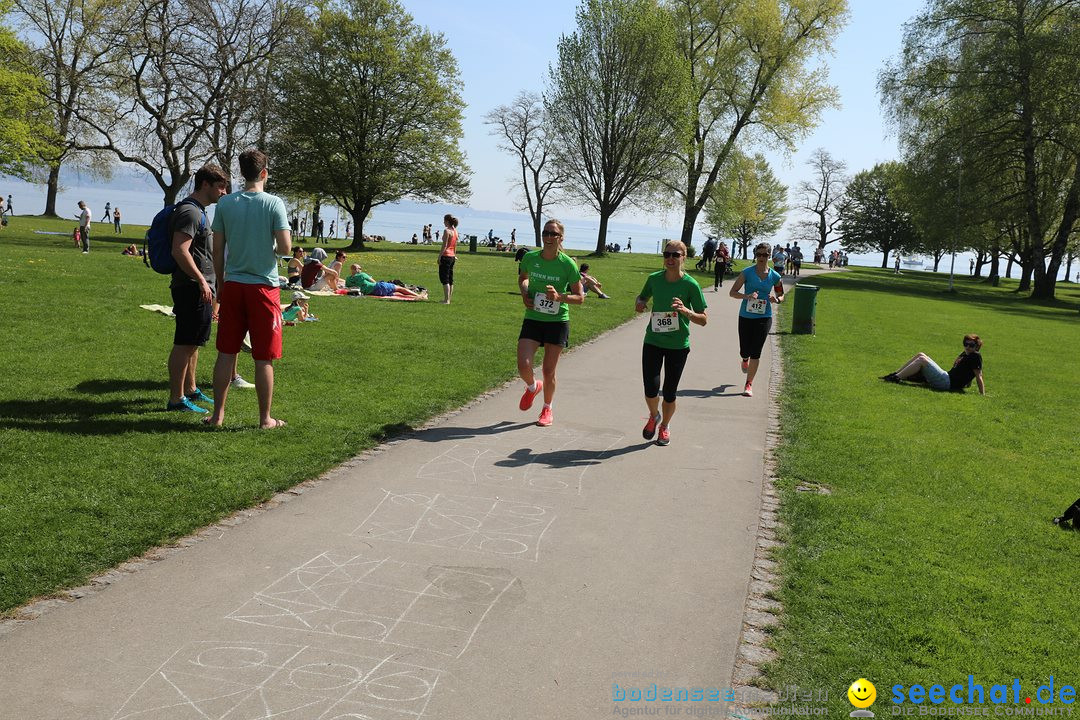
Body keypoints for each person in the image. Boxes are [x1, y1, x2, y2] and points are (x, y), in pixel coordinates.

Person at [205, 148, 291, 429]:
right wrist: (271, 245)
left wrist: (220, 282)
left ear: (242, 174)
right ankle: (265, 419)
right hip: (264, 288)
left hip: (233, 285)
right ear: (264, 173)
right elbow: (286, 248)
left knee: (226, 353)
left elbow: (217, 250)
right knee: (263, 356)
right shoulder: (274, 203)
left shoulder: (226, 204)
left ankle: (217, 416)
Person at [165, 164, 230, 414]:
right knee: (185, 343)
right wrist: (202, 281)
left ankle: (190, 389)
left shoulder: (199, 211)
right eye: (220, 186)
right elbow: (179, 250)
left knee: (194, 342)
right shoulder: (190, 212)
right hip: (192, 287)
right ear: (205, 185)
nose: (223, 192)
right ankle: (176, 398)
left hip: (199, 287)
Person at [635, 240, 708, 446]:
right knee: (650, 389)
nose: (670, 259)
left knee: (669, 392)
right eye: (667, 255)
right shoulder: (654, 279)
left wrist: (685, 311)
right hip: (653, 340)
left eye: (675, 255)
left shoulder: (690, 285)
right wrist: (640, 304)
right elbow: (642, 298)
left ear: (684, 257)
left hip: (677, 345)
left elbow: (703, 319)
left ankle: (665, 426)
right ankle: (653, 415)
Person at [516, 219, 584, 427]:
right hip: (534, 318)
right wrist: (525, 292)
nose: (548, 237)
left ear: (560, 238)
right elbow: (523, 278)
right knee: (523, 365)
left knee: (548, 370)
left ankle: (547, 408)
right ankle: (531, 387)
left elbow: (580, 297)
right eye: (545, 233)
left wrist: (559, 297)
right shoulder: (530, 258)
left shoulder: (567, 264)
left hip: (557, 321)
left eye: (553, 234)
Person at [729, 242, 785, 397]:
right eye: (758, 254)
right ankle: (744, 358)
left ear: (770, 256)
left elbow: (781, 294)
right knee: (745, 349)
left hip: (764, 316)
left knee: (756, 351)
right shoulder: (747, 273)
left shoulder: (775, 276)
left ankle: (748, 384)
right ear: (755, 255)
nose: (761, 257)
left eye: (765, 255)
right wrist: (746, 296)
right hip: (746, 316)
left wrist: (777, 299)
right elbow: (732, 292)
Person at [880, 335, 985, 395]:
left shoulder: (975, 355)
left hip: (947, 383)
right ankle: (895, 374)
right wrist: (967, 383)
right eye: (965, 344)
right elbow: (967, 370)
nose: (967, 347)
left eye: (971, 345)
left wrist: (982, 394)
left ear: (977, 347)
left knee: (922, 360)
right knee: (921, 354)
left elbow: (978, 375)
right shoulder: (966, 353)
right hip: (946, 377)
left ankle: (896, 378)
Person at [344, 263, 424, 298]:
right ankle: (418, 296)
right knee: (400, 288)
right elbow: (374, 282)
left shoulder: (348, 279)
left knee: (397, 293)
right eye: (360, 268)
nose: (361, 269)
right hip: (378, 286)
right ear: (357, 269)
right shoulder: (362, 275)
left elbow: (349, 288)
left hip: (373, 292)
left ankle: (415, 296)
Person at [439, 213, 459, 304]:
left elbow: (445, 245)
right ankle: (448, 299)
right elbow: (455, 245)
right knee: (450, 279)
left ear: (447, 221)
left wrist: (439, 256)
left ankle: (446, 300)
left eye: (444, 220)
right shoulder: (455, 231)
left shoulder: (447, 231)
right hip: (452, 257)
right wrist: (454, 254)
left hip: (446, 256)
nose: (443, 222)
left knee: (445, 278)